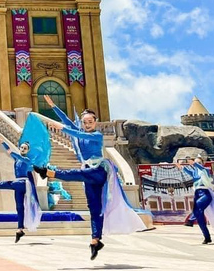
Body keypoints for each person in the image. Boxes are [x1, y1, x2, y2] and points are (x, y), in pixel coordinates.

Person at [35, 96, 145, 260]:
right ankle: (95, 240)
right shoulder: (80, 133)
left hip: (98, 171)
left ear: (95, 122)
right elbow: (67, 121)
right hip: (88, 172)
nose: (87, 125)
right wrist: (53, 107)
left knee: (79, 174)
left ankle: (51, 173)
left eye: (90, 122)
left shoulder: (97, 136)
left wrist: (62, 128)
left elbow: (71, 130)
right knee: (94, 208)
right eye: (84, 122)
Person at [0, 136, 42, 242]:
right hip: (18, 184)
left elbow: (14, 154)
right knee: (19, 207)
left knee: (9, 184)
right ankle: (20, 229)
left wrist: (9, 149)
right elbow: (10, 152)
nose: (22, 149)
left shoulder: (27, 159)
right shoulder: (17, 159)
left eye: (25, 148)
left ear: (28, 150)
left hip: (23, 183)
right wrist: (3, 143)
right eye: (21, 147)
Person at [175, 155, 214, 244]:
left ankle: (190, 220)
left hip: (205, 194)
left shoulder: (205, 171)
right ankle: (207, 237)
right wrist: (181, 167)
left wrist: (195, 163)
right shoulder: (194, 173)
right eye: (196, 162)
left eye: (199, 162)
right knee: (200, 218)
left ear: (202, 163)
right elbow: (187, 170)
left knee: (197, 205)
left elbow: (200, 168)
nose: (197, 164)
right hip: (197, 194)